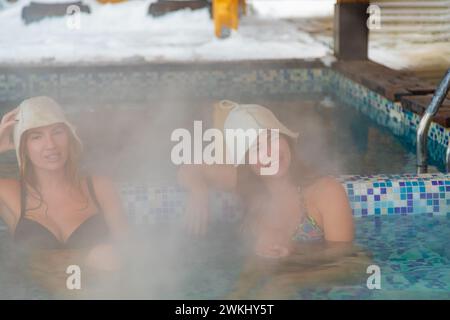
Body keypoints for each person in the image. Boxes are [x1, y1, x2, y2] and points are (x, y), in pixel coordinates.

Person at [0, 96, 129, 278]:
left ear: (70, 137)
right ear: (24, 147)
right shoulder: (10, 193)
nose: (51, 145)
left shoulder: (99, 187)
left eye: (57, 132)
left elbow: (130, 249)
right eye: (36, 137)